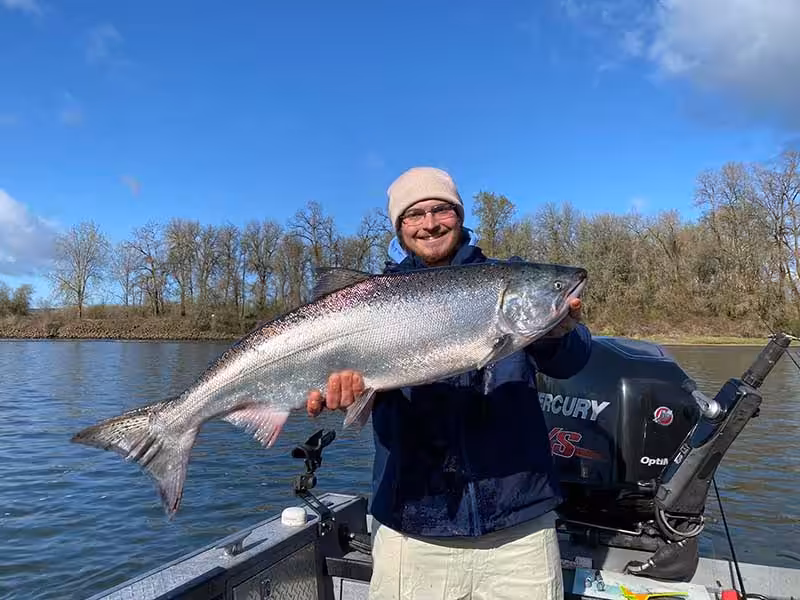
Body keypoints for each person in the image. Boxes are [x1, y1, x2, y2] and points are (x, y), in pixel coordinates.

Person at [306, 166, 592, 599]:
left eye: (441, 209)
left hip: (519, 528)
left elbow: (574, 361)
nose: (430, 223)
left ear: (459, 214)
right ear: (399, 228)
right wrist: (347, 395)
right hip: (412, 528)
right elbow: (362, 405)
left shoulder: (508, 278)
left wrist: (559, 331)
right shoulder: (371, 300)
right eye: (413, 215)